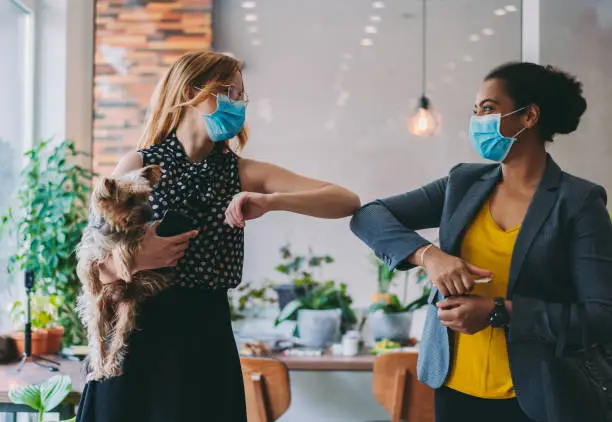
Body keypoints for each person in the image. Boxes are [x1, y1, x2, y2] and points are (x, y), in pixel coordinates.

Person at [75, 50, 360, 422]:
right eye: (231, 92)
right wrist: (140, 259)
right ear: (193, 92)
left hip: (205, 337)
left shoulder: (242, 172)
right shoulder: (139, 165)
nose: (239, 104)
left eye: (242, 96)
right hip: (137, 336)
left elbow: (345, 200)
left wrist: (270, 200)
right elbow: (92, 270)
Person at [350, 62, 612, 422]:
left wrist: (497, 311)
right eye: (475, 111)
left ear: (529, 116)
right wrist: (428, 255)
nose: (477, 121)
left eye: (488, 109)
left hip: (537, 396)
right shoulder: (462, 184)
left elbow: (600, 317)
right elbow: (369, 215)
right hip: (454, 389)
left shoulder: (579, 202)